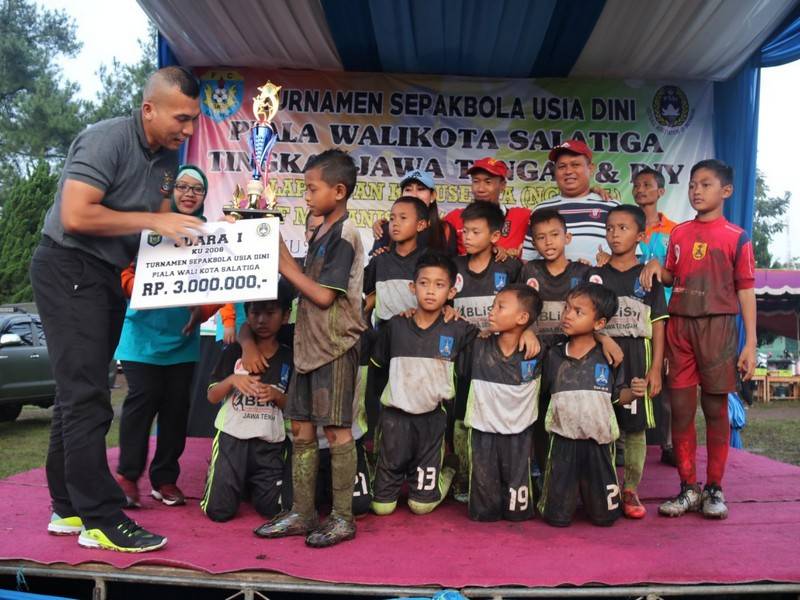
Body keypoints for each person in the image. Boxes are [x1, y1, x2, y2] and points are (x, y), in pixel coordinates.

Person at [32, 67, 203, 552]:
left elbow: (159, 231)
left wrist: (219, 243)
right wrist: (154, 220)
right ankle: (102, 518)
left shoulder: (166, 160)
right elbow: (76, 214)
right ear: (149, 109)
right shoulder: (106, 139)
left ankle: (67, 506)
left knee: (77, 394)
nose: (189, 130)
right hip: (68, 265)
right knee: (87, 397)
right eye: (182, 118)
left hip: (106, 274)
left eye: (194, 120)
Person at [254, 149, 366, 548]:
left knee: (336, 432)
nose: (306, 196)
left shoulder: (346, 235)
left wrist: (283, 265)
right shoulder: (320, 230)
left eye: (312, 188)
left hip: (334, 347)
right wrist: (267, 237)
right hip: (308, 347)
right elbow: (302, 276)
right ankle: (302, 512)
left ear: (339, 191)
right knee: (301, 429)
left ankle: (342, 517)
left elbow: (321, 296)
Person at [641, 159, 757, 519]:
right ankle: (688, 487)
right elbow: (672, 275)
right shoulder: (678, 233)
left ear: (726, 191)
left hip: (718, 328)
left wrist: (750, 343)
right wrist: (657, 269)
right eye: (692, 185)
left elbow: (746, 290)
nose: (696, 190)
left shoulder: (737, 237)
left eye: (706, 184)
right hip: (680, 326)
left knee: (715, 409)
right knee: (680, 409)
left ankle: (714, 487)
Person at [114, 165, 215, 509]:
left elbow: (223, 283)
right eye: (182, 186)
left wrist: (202, 311)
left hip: (183, 342)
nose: (189, 193)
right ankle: (128, 476)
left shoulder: (211, 235)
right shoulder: (149, 228)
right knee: (141, 404)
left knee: (175, 411)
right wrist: (143, 290)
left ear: (204, 196)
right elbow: (123, 273)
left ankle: (165, 479)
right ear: (171, 192)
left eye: (197, 189)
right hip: (140, 338)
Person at [369, 252, 477, 516]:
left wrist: (528, 334)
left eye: (439, 285)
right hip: (394, 421)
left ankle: (447, 469)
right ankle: (389, 471)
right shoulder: (395, 325)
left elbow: (492, 341)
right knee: (381, 507)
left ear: (451, 292)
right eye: (424, 283)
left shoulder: (458, 328)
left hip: (432, 422)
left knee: (421, 506)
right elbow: (376, 368)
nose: (430, 291)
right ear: (412, 287)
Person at [537, 283, 642, 527]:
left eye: (578, 312)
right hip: (562, 442)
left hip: (599, 443)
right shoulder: (552, 355)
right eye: (567, 308)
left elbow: (617, 396)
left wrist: (634, 393)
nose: (568, 315)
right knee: (556, 518)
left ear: (599, 323)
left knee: (605, 518)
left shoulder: (609, 357)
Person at [588, 205, 668, 518]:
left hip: (637, 358)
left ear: (640, 236)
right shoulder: (595, 276)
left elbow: (658, 325)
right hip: (602, 358)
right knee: (602, 424)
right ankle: (606, 486)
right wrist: (601, 338)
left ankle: (631, 488)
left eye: (623, 228)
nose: (615, 234)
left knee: (635, 429)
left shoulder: (648, 276)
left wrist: (655, 369)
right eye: (610, 228)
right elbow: (584, 318)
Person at [450, 200, 523, 501]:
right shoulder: (453, 267)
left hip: (499, 364)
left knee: (496, 419)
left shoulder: (510, 268)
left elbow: (524, 309)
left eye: (475, 232)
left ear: (494, 236)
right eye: (464, 231)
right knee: (461, 418)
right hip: (463, 359)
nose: (467, 237)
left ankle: (499, 476)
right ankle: (463, 475)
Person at [201, 298, 293, 522]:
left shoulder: (289, 356)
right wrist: (232, 380)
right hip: (232, 439)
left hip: (269, 444)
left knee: (274, 509)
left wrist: (277, 396)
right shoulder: (233, 351)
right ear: (247, 314)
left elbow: (294, 406)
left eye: (270, 313)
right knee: (219, 512)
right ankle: (221, 475)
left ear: (285, 315)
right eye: (255, 313)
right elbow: (212, 396)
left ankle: (248, 484)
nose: (262, 320)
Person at [462, 284, 543, 522]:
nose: (491, 311)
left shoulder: (540, 350)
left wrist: (528, 332)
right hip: (482, 433)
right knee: (484, 513)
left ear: (522, 317)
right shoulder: (477, 343)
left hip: (520, 436)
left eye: (500, 307)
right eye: (493, 306)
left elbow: (579, 339)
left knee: (517, 513)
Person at [518, 208, 591, 474]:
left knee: (569, 414)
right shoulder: (529, 270)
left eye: (554, 235)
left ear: (567, 238)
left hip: (571, 358)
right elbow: (518, 308)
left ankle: (568, 470)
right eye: (540, 237)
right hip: (535, 356)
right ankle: (539, 469)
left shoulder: (582, 271)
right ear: (534, 242)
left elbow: (594, 314)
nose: (548, 242)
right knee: (537, 413)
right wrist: (526, 330)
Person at [363, 196, 429, 443]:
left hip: (417, 344)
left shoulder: (428, 261)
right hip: (382, 343)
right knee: (380, 397)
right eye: (392, 218)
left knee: (413, 402)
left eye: (403, 218)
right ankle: (377, 448)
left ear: (421, 225)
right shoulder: (380, 260)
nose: (395, 223)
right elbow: (366, 296)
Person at [632, 167, 678, 466]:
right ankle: (625, 441)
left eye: (647, 185)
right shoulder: (625, 224)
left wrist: (659, 268)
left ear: (661, 191)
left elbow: (678, 274)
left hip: (668, 312)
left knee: (670, 377)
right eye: (636, 185)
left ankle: (670, 443)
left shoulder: (675, 230)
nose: (640, 189)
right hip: (633, 312)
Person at [522, 140, 619, 263]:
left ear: (591, 168)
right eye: (562, 166)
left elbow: (630, 258)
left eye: (575, 165)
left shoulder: (612, 207)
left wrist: (611, 261)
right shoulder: (541, 210)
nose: (568, 171)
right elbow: (528, 260)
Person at [444, 157, 531, 256]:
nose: (480, 189)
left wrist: (520, 258)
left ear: (502, 185)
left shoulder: (522, 217)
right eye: (476, 181)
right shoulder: (455, 217)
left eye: (488, 182)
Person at [371, 170, 457, 255]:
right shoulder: (386, 229)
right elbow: (376, 261)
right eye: (408, 189)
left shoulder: (445, 230)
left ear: (432, 195)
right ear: (401, 195)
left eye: (420, 189)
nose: (414, 195)